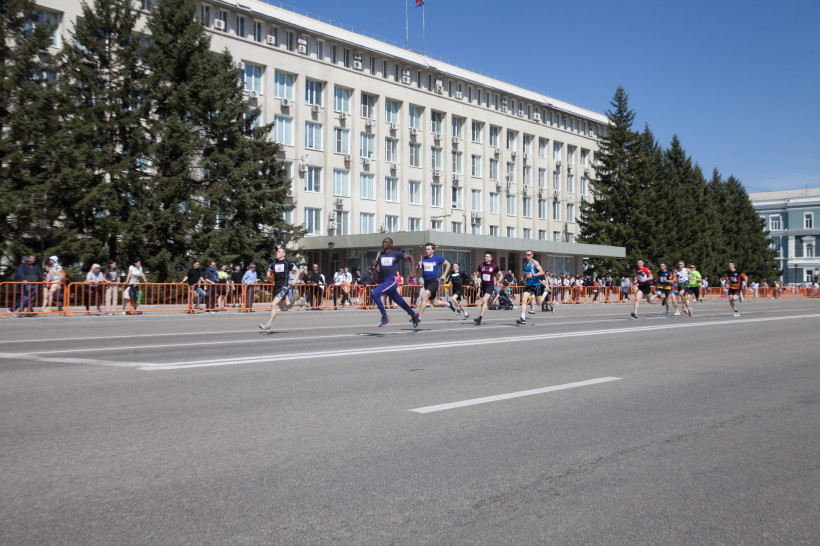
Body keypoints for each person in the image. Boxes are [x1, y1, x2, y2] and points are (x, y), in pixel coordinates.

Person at [370, 237, 418, 327]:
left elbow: (410, 257)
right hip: (383, 281)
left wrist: (412, 271)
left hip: (391, 280)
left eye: (386, 242)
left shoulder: (396, 254)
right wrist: (373, 265)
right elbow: (373, 269)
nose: (383, 243)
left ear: (390, 244)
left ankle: (385, 316)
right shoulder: (379, 254)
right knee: (400, 302)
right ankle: (413, 315)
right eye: (383, 242)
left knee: (374, 294)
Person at [259, 247, 300, 331]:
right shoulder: (274, 262)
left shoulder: (288, 262)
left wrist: (294, 280)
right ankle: (299, 302)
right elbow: (269, 270)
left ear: (283, 254)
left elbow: (297, 270)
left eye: (279, 251)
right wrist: (268, 274)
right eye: (277, 251)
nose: (277, 252)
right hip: (276, 287)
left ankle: (268, 325)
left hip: (284, 286)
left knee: (273, 304)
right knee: (283, 308)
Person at [415, 242, 451, 324]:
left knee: (424, 296)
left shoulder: (438, 258)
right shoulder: (423, 259)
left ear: (433, 250)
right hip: (426, 282)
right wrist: (418, 266)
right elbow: (416, 272)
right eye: (425, 249)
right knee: (434, 303)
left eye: (428, 249)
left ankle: (419, 316)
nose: (426, 251)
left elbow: (448, 264)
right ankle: (448, 303)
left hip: (434, 282)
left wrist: (444, 275)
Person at [516, 250, 548, 325]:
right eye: (526, 255)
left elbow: (541, 272)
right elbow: (527, 273)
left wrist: (532, 275)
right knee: (524, 299)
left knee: (539, 303)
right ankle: (522, 318)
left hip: (536, 284)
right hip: (528, 284)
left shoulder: (535, 262)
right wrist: (525, 278)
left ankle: (545, 293)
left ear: (532, 255)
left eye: (528, 255)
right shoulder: (525, 264)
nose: (527, 256)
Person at [474, 252, 501, 325]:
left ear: (491, 258)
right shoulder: (481, 265)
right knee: (489, 303)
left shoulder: (494, 266)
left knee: (484, 300)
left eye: (487, 256)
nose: (485, 257)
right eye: (485, 256)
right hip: (483, 286)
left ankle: (479, 318)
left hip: (490, 286)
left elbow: (501, 275)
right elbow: (476, 275)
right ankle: (493, 305)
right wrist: (475, 282)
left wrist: (498, 281)